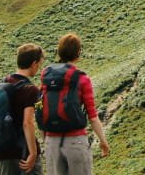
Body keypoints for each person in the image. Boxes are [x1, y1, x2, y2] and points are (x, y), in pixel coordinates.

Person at [41, 34, 111, 175]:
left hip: (51, 142)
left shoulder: (46, 75)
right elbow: (92, 115)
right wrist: (103, 141)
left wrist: (45, 138)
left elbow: (40, 106)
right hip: (75, 141)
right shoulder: (82, 79)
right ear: (78, 52)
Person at [0, 44, 44, 175]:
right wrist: (33, 153)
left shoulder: (3, 83)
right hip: (24, 152)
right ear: (34, 63)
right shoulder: (30, 89)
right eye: (39, 64)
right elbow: (27, 123)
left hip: (4, 151)